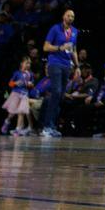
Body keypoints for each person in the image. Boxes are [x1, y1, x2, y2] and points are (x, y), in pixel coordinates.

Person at [39, 8, 78, 139]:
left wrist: (77, 66)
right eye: (68, 15)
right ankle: (46, 126)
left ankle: (52, 126)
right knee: (56, 91)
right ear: (63, 16)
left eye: (72, 16)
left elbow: (74, 50)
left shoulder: (75, 32)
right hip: (55, 63)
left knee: (60, 96)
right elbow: (45, 47)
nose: (71, 18)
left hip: (67, 65)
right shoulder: (55, 29)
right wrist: (59, 48)